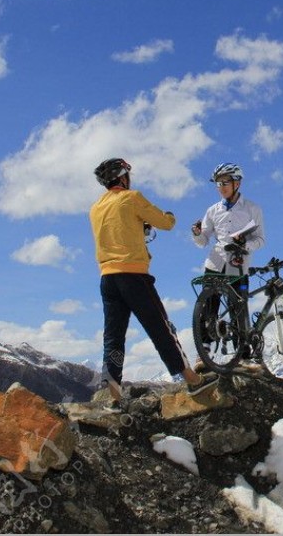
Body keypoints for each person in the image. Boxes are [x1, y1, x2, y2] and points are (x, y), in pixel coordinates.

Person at [89, 157, 217, 404]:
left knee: (113, 334)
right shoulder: (132, 197)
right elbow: (165, 223)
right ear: (122, 177)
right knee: (160, 327)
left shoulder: (95, 208)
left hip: (107, 277)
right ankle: (191, 379)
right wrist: (167, 215)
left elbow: (118, 229)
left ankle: (112, 391)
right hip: (134, 275)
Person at [191, 162, 266, 359]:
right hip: (215, 262)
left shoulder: (253, 208)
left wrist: (245, 245)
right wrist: (197, 233)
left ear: (237, 183)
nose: (221, 187)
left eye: (225, 182)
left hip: (238, 264)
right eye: (218, 184)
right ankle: (204, 353)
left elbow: (260, 239)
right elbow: (202, 242)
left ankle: (242, 355)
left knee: (238, 311)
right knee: (207, 308)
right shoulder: (212, 210)